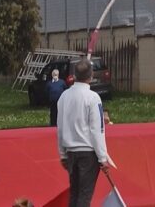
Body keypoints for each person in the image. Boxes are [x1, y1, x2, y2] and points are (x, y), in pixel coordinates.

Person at [57, 59, 115, 207]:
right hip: (88, 153)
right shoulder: (93, 98)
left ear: (74, 75)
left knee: (74, 195)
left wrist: (62, 154)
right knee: (84, 196)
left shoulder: (63, 97)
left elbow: (60, 127)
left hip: (70, 151)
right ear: (91, 76)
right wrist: (102, 158)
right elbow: (97, 129)